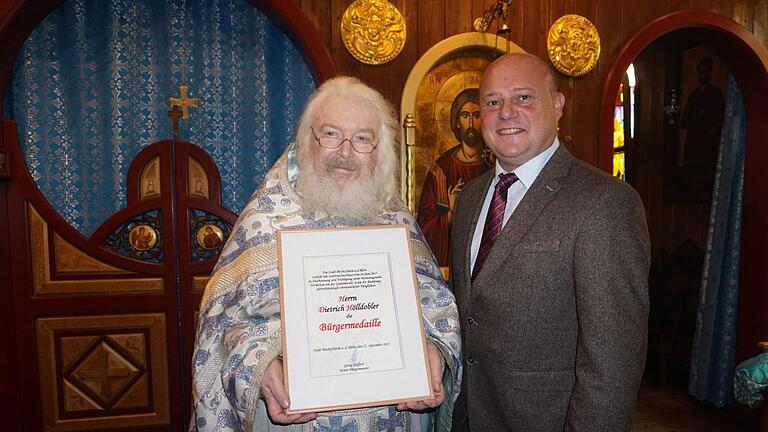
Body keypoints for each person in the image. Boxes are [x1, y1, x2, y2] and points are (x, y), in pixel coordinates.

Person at [190, 76, 462, 432]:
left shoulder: (396, 221)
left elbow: (434, 304)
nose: (345, 153)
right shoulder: (264, 222)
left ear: (379, 150)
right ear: (307, 142)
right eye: (331, 134)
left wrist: (434, 351)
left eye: (362, 138)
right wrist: (261, 366)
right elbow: (221, 326)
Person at [449, 53, 650, 431]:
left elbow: (613, 362)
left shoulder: (604, 202)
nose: (506, 113)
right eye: (493, 102)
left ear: (557, 105)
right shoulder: (471, 199)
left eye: (523, 98)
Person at [417, 88, 492, 268]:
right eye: (465, 115)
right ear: (457, 121)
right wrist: (451, 212)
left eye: (476, 115)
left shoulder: (495, 165)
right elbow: (424, 229)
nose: (471, 122)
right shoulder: (441, 170)